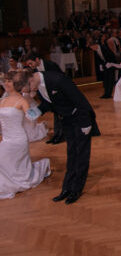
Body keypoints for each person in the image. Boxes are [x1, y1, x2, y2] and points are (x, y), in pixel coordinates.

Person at [28, 70, 100, 204]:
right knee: (71, 153)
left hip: (80, 119)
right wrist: (37, 111)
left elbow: (80, 100)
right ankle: (67, 188)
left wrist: (86, 123)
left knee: (81, 155)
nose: (29, 91)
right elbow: (49, 103)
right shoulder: (39, 85)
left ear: (32, 78)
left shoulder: (58, 79)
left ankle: (76, 189)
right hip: (66, 121)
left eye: (28, 87)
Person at [0, 71, 50, 199]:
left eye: (9, 81)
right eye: (5, 81)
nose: (6, 83)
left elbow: (33, 117)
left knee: (11, 162)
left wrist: (35, 109)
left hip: (18, 139)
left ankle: (40, 167)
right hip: (6, 139)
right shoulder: (3, 100)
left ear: (17, 84)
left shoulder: (22, 100)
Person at [24, 53, 64, 144]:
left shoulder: (51, 65)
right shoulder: (34, 70)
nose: (30, 66)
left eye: (31, 63)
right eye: (29, 64)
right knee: (56, 115)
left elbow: (60, 78)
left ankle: (61, 136)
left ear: (37, 59)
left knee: (60, 115)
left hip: (57, 94)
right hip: (47, 96)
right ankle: (56, 135)